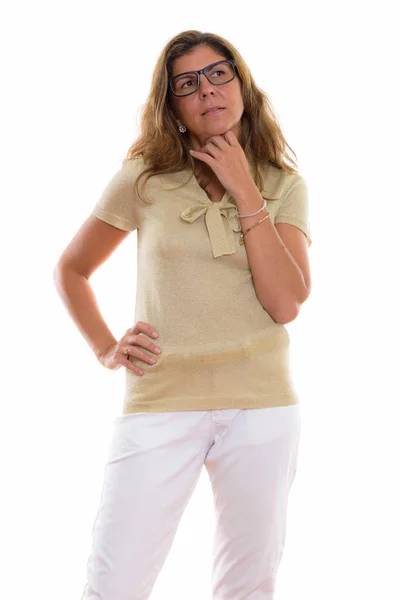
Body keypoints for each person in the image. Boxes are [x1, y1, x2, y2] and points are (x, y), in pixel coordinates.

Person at [54, 29, 312, 600]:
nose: (207, 90)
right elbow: (71, 270)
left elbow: (286, 303)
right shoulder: (144, 179)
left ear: (241, 83)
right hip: (161, 399)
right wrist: (104, 347)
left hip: (262, 405)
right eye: (187, 84)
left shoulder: (282, 184)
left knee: (249, 585)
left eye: (219, 73)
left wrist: (246, 192)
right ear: (171, 106)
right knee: (114, 583)